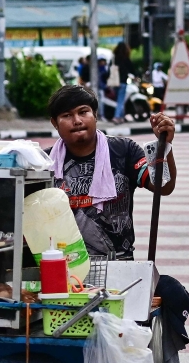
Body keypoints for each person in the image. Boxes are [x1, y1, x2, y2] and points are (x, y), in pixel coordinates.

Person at [46, 85, 177, 259]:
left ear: (95, 116)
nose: (77, 120)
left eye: (83, 112)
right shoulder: (44, 162)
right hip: (62, 266)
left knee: (170, 287)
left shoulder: (124, 150)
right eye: (67, 115)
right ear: (55, 123)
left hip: (119, 263)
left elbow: (163, 186)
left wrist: (164, 147)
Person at [112, 42, 135, 124]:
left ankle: (121, 118)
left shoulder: (115, 58)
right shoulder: (126, 59)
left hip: (114, 82)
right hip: (122, 82)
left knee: (119, 100)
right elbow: (132, 69)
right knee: (121, 101)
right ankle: (117, 117)